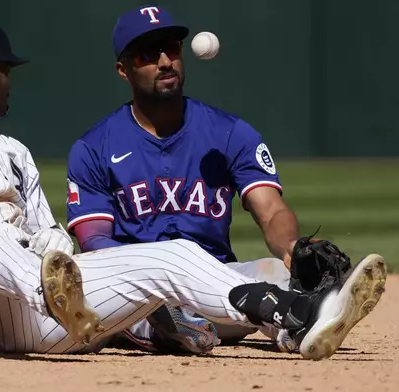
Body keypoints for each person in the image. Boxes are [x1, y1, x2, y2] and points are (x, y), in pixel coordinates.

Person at [0, 19, 385, 361]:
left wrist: (77, 273)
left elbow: (54, 239)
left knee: (176, 254)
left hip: (49, 321)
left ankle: (299, 314)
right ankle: (55, 295)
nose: (10, 85)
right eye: (6, 74)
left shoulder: (14, 153)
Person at [64, 5, 362, 354]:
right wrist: (151, 280)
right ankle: (159, 326)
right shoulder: (93, 147)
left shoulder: (230, 133)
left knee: (275, 274)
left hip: (215, 285)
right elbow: (94, 242)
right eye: (148, 54)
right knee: (97, 294)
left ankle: (300, 328)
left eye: (171, 49)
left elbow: (271, 211)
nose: (165, 61)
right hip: (140, 294)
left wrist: (292, 247)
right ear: (123, 70)